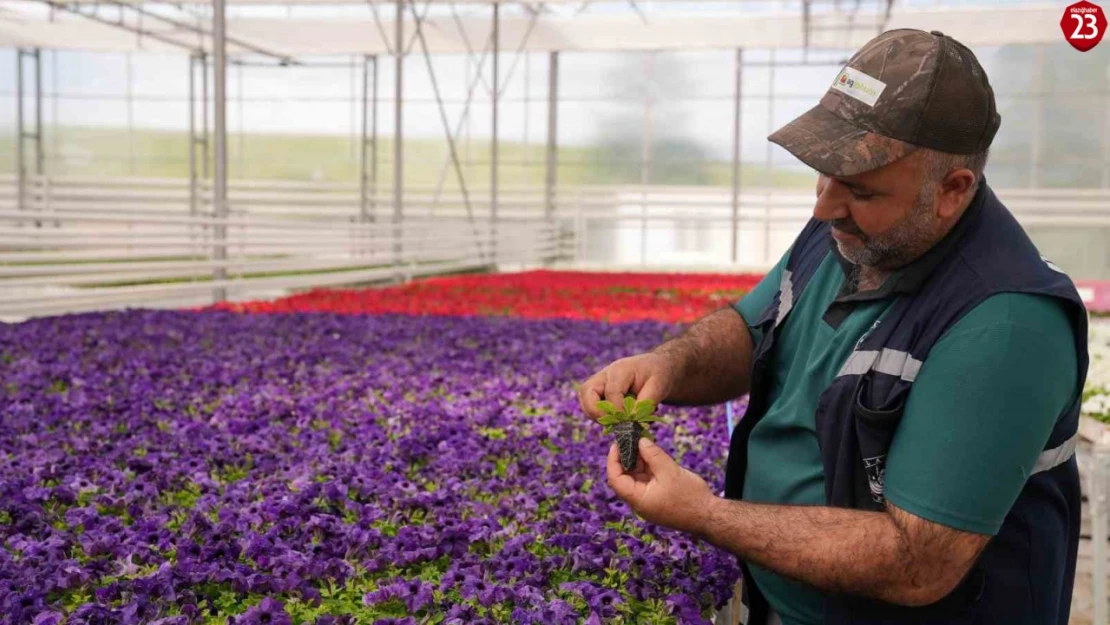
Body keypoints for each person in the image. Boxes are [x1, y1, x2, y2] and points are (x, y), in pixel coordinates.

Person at [578, 29, 1089, 625]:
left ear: (952, 190)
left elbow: (917, 562)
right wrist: (670, 365)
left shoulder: (1004, 324)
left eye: (859, 187)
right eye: (825, 174)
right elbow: (750, 328)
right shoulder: (854, 228)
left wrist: (705, 515)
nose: (823, 205)